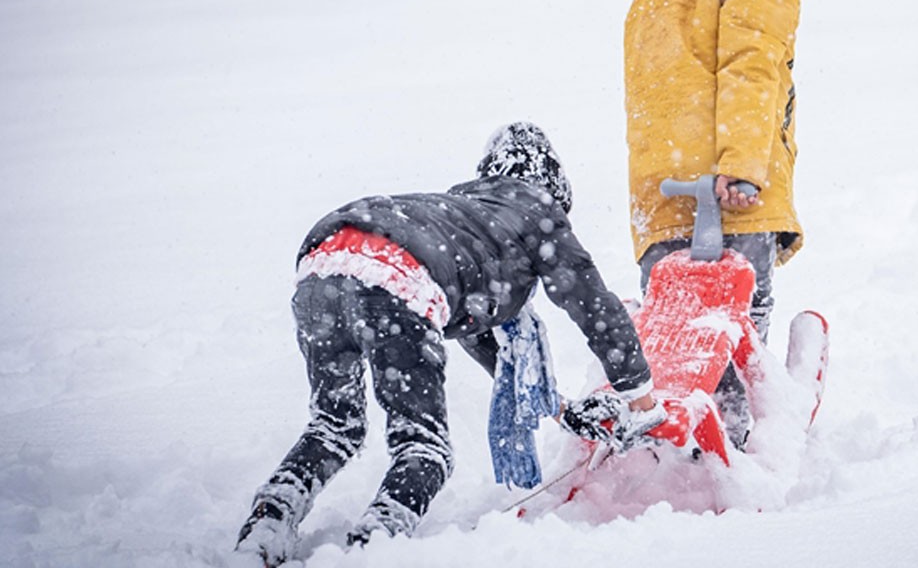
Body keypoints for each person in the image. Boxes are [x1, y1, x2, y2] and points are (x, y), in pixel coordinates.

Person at [235, 122, 663, 566]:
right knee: (424, 449)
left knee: (334, 426)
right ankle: (372, 545)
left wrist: (561, 409)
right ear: (554, 187)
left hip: (323, 263)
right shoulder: (537, 212)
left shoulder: (462, 217)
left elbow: (489, 347)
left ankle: (269, 522)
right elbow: (594, 306)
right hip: (395, 275)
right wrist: (641, 400)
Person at [623, 0, 807, 447]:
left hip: (659, 191)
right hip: (731, 186)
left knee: (679, 337)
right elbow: (751, 68)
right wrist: (743, 167)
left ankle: (679, 443)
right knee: (738, 324)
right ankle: (742, 443)